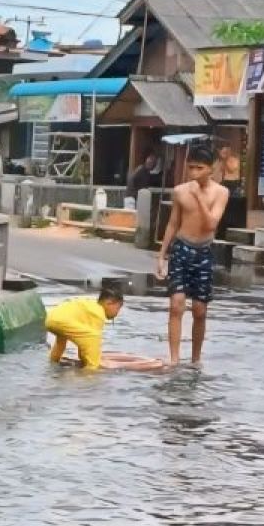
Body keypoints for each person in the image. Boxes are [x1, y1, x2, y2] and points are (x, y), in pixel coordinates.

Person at [156, 145, 230, 365]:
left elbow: (211, 224)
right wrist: (161, 255)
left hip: (204, 251)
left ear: (211, 168)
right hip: (181, 248)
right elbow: (173, 223)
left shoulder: (221, 192)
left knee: (199, 309)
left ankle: (195, 359)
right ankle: (174, 358)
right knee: (176, 304)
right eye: (191, 168)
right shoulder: (180, 191)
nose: (194, 173)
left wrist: (199, 197)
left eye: (200, 168)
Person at [46, 286, 163, 371]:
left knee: (61, 341)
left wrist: (83, 356)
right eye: (118, 308)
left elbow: (83, 337)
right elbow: (91, 340)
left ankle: (53, 361)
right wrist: (88, 360)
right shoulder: (98, 313)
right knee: (93, 340)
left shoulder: (89, 306)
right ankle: (89, 374)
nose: (117, 312)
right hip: (62, 321)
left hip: (50, 319)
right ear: (109, 303)